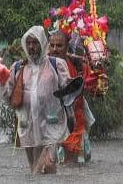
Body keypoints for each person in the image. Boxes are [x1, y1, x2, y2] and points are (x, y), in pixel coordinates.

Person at [0, 26, 71, 174]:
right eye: (28, 43)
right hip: (27, 126)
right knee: (34, 168)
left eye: (35, 42)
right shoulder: (18, 67)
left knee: (45, 166)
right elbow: (7, 96)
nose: (31, 46)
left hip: (51, 125)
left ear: (42, 42)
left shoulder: (56, 65)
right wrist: (0, 78)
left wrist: (73, 85)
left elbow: (69, 90)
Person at [48, 31, 95, 164]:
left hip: (72, 122)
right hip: (49, 122)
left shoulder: (76, 66)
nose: (55, 49)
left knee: (70, 166)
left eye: (59, 45)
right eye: (52, 45)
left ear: (67, 47)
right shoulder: (44, 64)